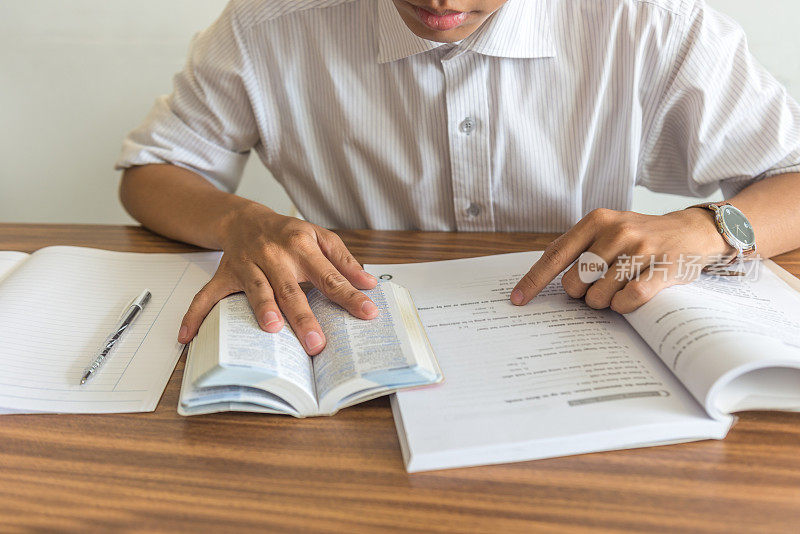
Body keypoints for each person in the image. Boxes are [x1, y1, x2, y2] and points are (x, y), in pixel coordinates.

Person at [117, 0, 800, 356]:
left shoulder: (652, 24)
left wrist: (708, 226)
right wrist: (242, 219)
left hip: (583, 334)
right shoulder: (268, 25)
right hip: (355, 331)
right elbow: (152, 170)